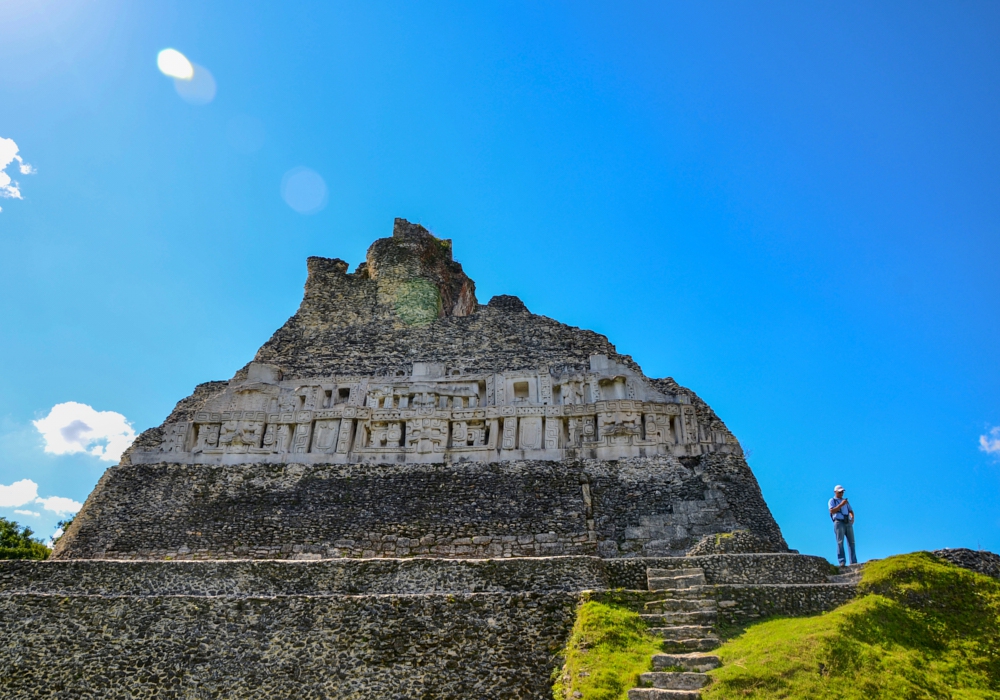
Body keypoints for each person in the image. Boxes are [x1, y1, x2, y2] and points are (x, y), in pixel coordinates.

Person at [828, 485, 857, 567]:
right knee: (840, 542)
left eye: (842, 492)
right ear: (835, 492)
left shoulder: (845, 502)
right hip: (839, 522)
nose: (841, 493)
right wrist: (841, 505)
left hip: (847, 522)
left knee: (852, 542)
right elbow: (832, 510)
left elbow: (850, 510)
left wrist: (852, 518)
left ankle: (853, 561)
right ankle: (842, 561)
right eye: (839, 492)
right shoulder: (832, 500)